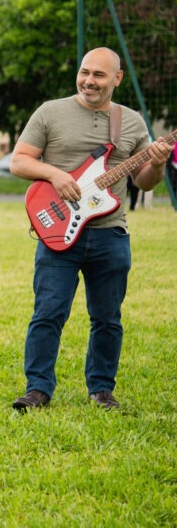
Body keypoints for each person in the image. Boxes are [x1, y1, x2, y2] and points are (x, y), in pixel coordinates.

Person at [10, 47, 174, 412]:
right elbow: (19, 161)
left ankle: (101, 390)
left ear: (116, 79)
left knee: (107, 318)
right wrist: (55, 174)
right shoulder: (51, 112)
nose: (89, 81)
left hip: (110, 232)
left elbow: (144, 183)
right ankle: (37, 390)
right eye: (84, 72)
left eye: (99, 75)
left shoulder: (130, 122)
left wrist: (159, 165)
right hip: (58, 233)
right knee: (48, 312)